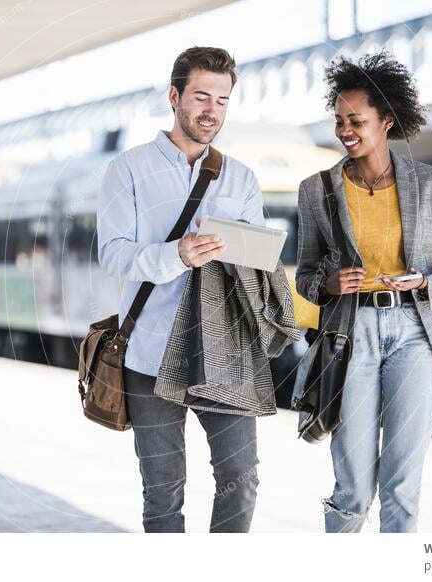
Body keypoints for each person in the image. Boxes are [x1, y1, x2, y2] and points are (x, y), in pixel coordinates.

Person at [97, 47, 267, 533]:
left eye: (222, 99)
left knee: (242, 475)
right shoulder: (127, 170)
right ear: (175, 97)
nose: (211, 110)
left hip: (224, 353)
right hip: (149, 353)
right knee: (163, 492)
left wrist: (247, 255)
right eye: (200, 96)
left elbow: (256, 263)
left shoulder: (243, 178)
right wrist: (178, 254)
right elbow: (112, 254)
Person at [295, 51, 432, 533]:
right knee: (352, 485)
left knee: (402, 484)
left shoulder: (429, 184)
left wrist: (424, 284)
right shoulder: (318, 190)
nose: (345, 130)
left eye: (356, 120)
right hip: (350, 337)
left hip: (414, 333)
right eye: (339, 120)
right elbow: (306, 276)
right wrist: (328, 284)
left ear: (386, 120)